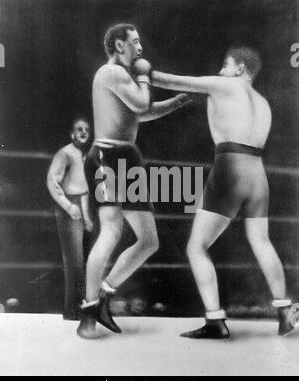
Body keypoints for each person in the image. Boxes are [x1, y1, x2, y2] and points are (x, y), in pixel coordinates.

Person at [149, 47, 296, 338]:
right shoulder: (263, 103)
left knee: (196, 246)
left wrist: (138, 71)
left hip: (230, 166)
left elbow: (171, 81)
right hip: (258, 172)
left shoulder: (226, 85)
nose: (219, 71)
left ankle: (215, 321)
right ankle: (284, 311)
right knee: (261, 240)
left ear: (240, 68)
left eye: (225, 65)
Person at [77, 23, 192, 339]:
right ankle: (87, 313)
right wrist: (144, 75)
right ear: (118, 45)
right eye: (135, 42)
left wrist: (176, 103)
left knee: (149, 241)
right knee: (112, 231)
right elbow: (141, 103)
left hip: (126, 157)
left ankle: (103, 296)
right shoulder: (111, 73)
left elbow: (138, 114)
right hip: (108, 156)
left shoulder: (122, 79)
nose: (141, 48)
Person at [47, 117, 94, 320]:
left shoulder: (87, 155)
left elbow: (83, 188)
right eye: (79, 129)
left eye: (86, 129)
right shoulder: (65, 153)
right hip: (68, 207)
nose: (83, 132)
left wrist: (87, 216)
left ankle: (82, 310)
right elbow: (52, 180)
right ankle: (73, 313)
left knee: (85, 261)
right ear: (72, 133)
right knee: (75, 262)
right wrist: (68, 206)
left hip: (82, 206)